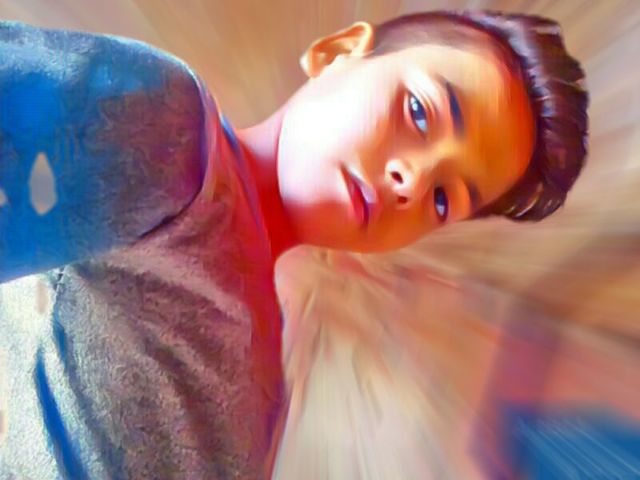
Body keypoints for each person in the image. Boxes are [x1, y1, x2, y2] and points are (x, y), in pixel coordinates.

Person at [0, 10, 587, 480]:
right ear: (335, 53)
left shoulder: (269, 390)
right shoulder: (165, 125)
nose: (412, 180)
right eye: (419, 112)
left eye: (442, 198)